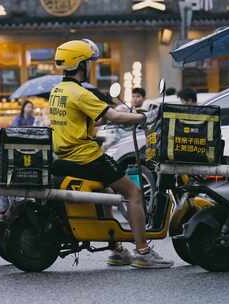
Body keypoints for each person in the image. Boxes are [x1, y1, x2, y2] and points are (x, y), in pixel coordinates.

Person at [49, 39, 173, 269]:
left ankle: (116, 250)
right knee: (134, 192)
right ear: (81, 64)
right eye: (89, 63)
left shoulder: (58, 91)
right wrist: (145, 118)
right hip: (86, 157)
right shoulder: (80, 93)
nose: (91, 67)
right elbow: (113, 117)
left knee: (106, 191)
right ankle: (143, 251)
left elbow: (90, 117)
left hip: (65, 157)